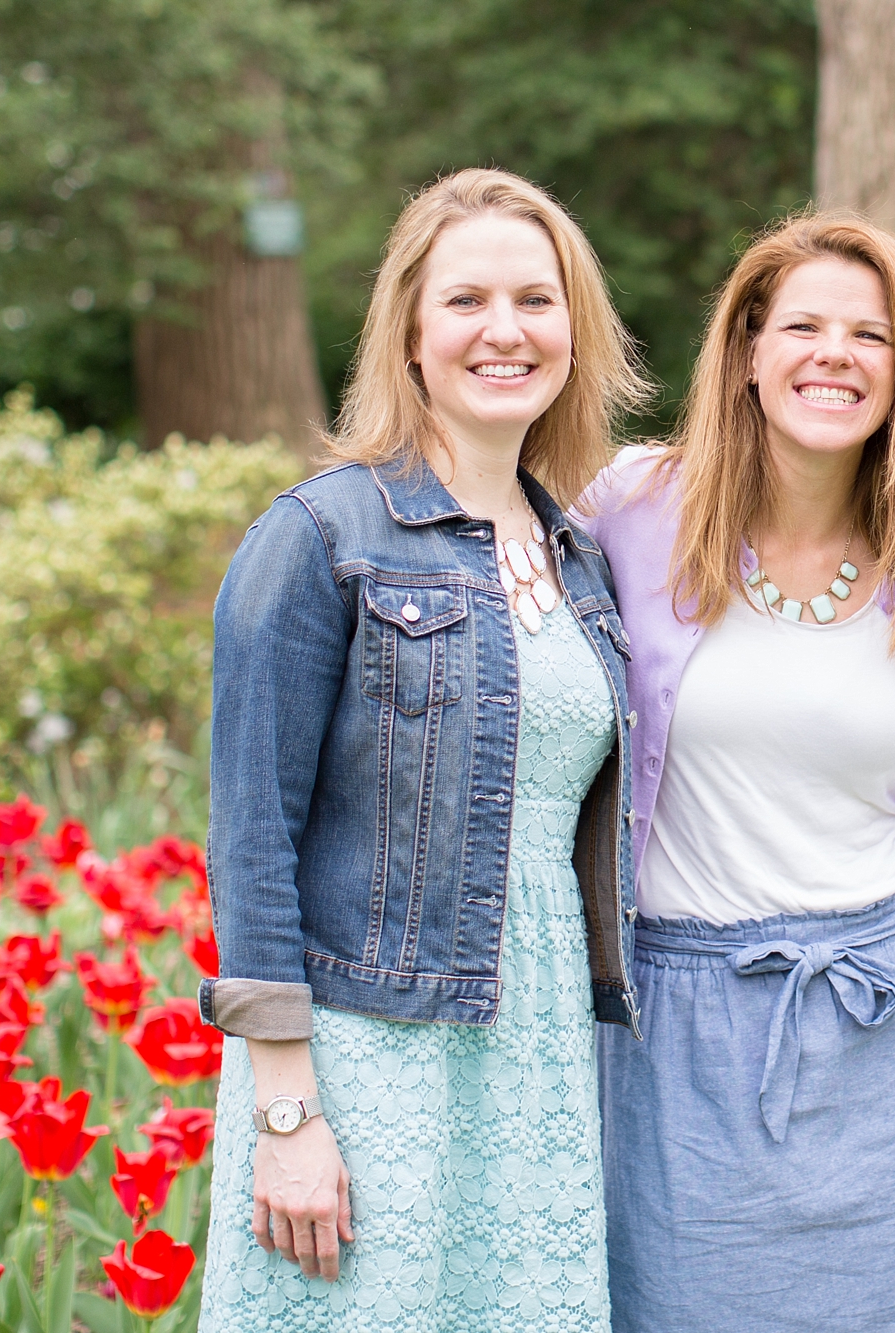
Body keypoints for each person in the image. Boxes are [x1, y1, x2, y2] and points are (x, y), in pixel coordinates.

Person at [198, 167, 650, 1332]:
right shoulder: (317, 536)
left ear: (574, 331)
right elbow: (253, 839)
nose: (505, 331)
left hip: (541, 1046)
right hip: (370, 1050)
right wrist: (288, 1115)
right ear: (408, 332)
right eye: (465, 302)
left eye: (536, 302)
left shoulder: (583, 560)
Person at [580, 213, 895, 1333]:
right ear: (745, 352)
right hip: (680, 1029)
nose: (835, 353)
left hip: (893, 1020)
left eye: (869, 335)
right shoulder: (632, 512)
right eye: (805, 325)